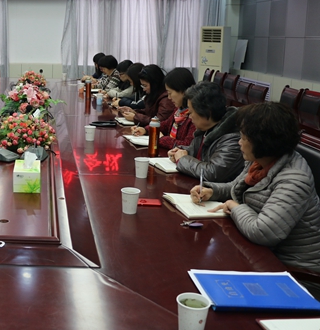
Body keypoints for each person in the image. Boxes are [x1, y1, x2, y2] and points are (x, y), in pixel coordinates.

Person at [190, 102, 320, 274]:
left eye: (244, 138)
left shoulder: (294, 180)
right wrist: (211, 191)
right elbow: (237, 187)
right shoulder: (260, 161)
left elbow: (263, 232)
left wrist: (235, 207)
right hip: (258, 254)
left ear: (262, 142)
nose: (239, 142)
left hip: (292, 270)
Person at [170, 81, 243, 182]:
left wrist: (182, 159)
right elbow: (197, 152)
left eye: (191, 112)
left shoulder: (233, 139)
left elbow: (212, 173)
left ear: (207, 112)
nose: (189, 117)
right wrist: (180, 151)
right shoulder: (206, 129)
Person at [131, 67, 197, 149]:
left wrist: (162, 139)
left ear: (183, 91)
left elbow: (187, 145)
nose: (169, 97)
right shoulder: (179, 110)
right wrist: (146, 130)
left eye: (170, 93)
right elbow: (166, 124)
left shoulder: (194, 116)